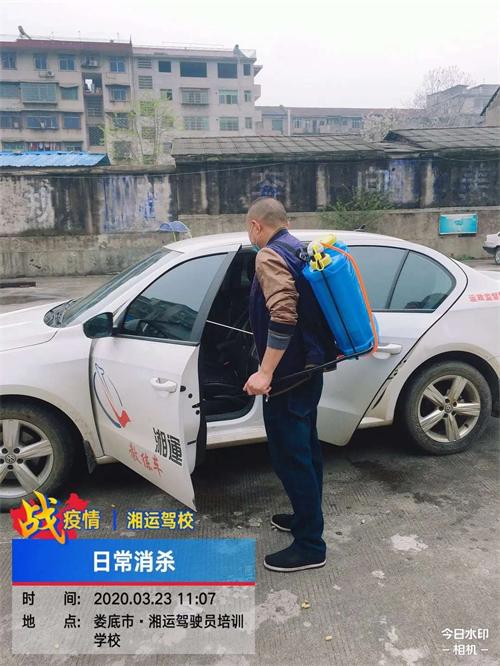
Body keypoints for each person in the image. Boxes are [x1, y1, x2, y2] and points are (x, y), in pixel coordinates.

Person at [243, 197, 329, 572]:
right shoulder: (297, 249)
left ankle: (310, 545)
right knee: (307, 452)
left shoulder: (268, 256)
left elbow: (283, 315)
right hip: (309, 369)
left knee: (291, 459)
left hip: (288, 378)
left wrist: (265, 372)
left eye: (249, 229)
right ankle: (304, 518)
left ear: (256, 226)